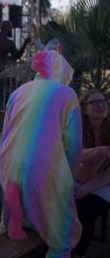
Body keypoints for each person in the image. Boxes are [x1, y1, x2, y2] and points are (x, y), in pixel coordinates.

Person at [0, 50, 83, 258]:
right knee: (64, 232)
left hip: (9, 162)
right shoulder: (67, 95)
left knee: (17, 196)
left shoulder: (18, 92)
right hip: (42, 166)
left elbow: (6, 131)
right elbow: (73, 143)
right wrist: (69, 174)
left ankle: (13, 221)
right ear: (63, 73)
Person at [73, 89, 110, 258]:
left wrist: (83, 191)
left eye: (103, 101)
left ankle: (78, 254)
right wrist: (99, 151)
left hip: (104, 185)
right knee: (56, 209)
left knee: (84, 213)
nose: (101, 105)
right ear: (83, 109)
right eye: (94, 102)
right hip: (76, 180)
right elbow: (69, 154)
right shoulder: (76, 129)